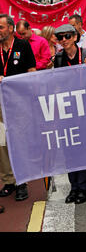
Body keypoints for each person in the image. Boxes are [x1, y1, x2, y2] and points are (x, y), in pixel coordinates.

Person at [54, 24, 86, 204]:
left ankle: (83, 188)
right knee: (69, 149)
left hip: (85, 110)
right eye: (60, 37)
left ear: (75, 37)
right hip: (67, 110)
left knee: (83, 149)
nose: (64, 40)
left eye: (67, 36)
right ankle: (74, 187)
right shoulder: (58, 57)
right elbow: (55, 82)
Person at [0, 14, 36, 202]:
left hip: (18, 103)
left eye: (1, 27)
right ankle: (8, 181)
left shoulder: (23, 46)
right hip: (0, 105)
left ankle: (22, 182)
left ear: (11, 29)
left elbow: (32, 73)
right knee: (2, 143)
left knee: (20, 142)